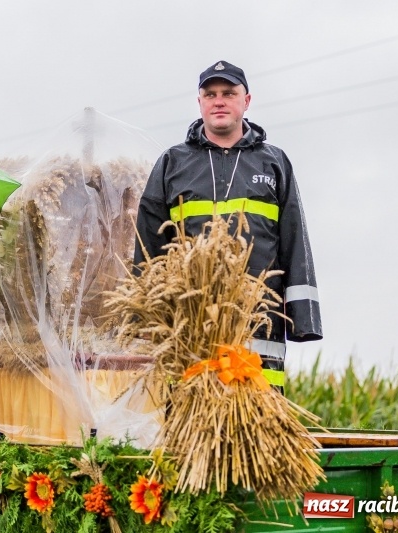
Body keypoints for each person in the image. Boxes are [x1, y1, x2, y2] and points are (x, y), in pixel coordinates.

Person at [134, 60, 322, 389]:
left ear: (246, 101)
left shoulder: (274, 162)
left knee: (260, 418)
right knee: (191, 417)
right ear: (200, 102)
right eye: (210, 94)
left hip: (260, 317)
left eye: (228, 93)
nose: (218, 100)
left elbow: (294, 240)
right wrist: (144, 316)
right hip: (189, 319)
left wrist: (302, 318)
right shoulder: (172, 163)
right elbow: (149, 246)